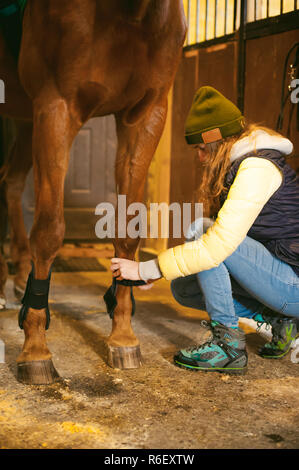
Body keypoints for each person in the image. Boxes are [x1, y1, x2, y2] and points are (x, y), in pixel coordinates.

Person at [110, 86, 299, 375]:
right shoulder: (240, 165)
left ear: (219, 142)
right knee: (184, 289)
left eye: (201, 148)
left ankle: (228, 346)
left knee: (202, 231)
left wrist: (146, 269)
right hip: (278, 276)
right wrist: (158, 272)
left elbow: (216, 246)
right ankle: (280, 319)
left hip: (293, 283)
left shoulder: (257, 168)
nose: (199, 157)